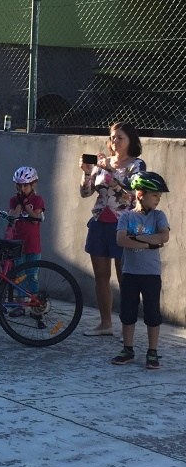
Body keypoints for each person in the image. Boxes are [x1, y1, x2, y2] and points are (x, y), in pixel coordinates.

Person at [79, 121, 145, 337]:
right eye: (113, 137)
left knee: (125, 277)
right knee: (101, 276)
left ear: (130, 141)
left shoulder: (136, 165)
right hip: (100, 222)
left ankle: (128, 326)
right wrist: (87, 173)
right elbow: (85, 193)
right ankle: (105, 323)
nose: (115, 141)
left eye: (120, 137)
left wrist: (112, 173)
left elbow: (134, 194)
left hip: (123, 224)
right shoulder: (103, 162)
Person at [110, 172, 170, 370]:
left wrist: (135, 239)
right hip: (130, 273)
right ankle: (128, 349)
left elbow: (163, 237)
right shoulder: (126, 216)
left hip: (151, 274)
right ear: (140, 194)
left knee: (152, 313)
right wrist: (149, 243)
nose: (158, 199)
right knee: (128, 312)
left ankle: (152, 351)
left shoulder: (158, 216)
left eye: (159, 196)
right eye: (154, 195)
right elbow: (121, 240)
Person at [7, 166, 45, 311]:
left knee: (32, 275)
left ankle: (35, 304)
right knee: (19, 276)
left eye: (25, 185)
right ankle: (20, 305)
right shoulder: (13, 200)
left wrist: (26, 205)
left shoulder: (37, 200)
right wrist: (19, 203)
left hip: (33, 245)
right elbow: (12, 217)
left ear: (33, 184)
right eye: (19, 185)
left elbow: (36, 217)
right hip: (18, 244)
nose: (22, 189)